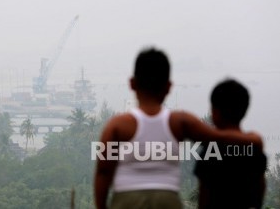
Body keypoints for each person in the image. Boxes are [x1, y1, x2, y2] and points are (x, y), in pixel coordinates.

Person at [94, 47, 262, 209]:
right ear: (168, 87)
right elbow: (218, 138)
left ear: (132, 84)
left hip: (127, 199)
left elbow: (103, 172)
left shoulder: (117, 125)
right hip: (167, 199)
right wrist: (253, 139)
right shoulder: (179, 121)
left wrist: (101, 206)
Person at [194, 79, 266, 209]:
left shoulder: (211, 149)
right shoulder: (253, 147)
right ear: (244, 110)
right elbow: (259, 188)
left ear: (214, 113)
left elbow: (204, 194)